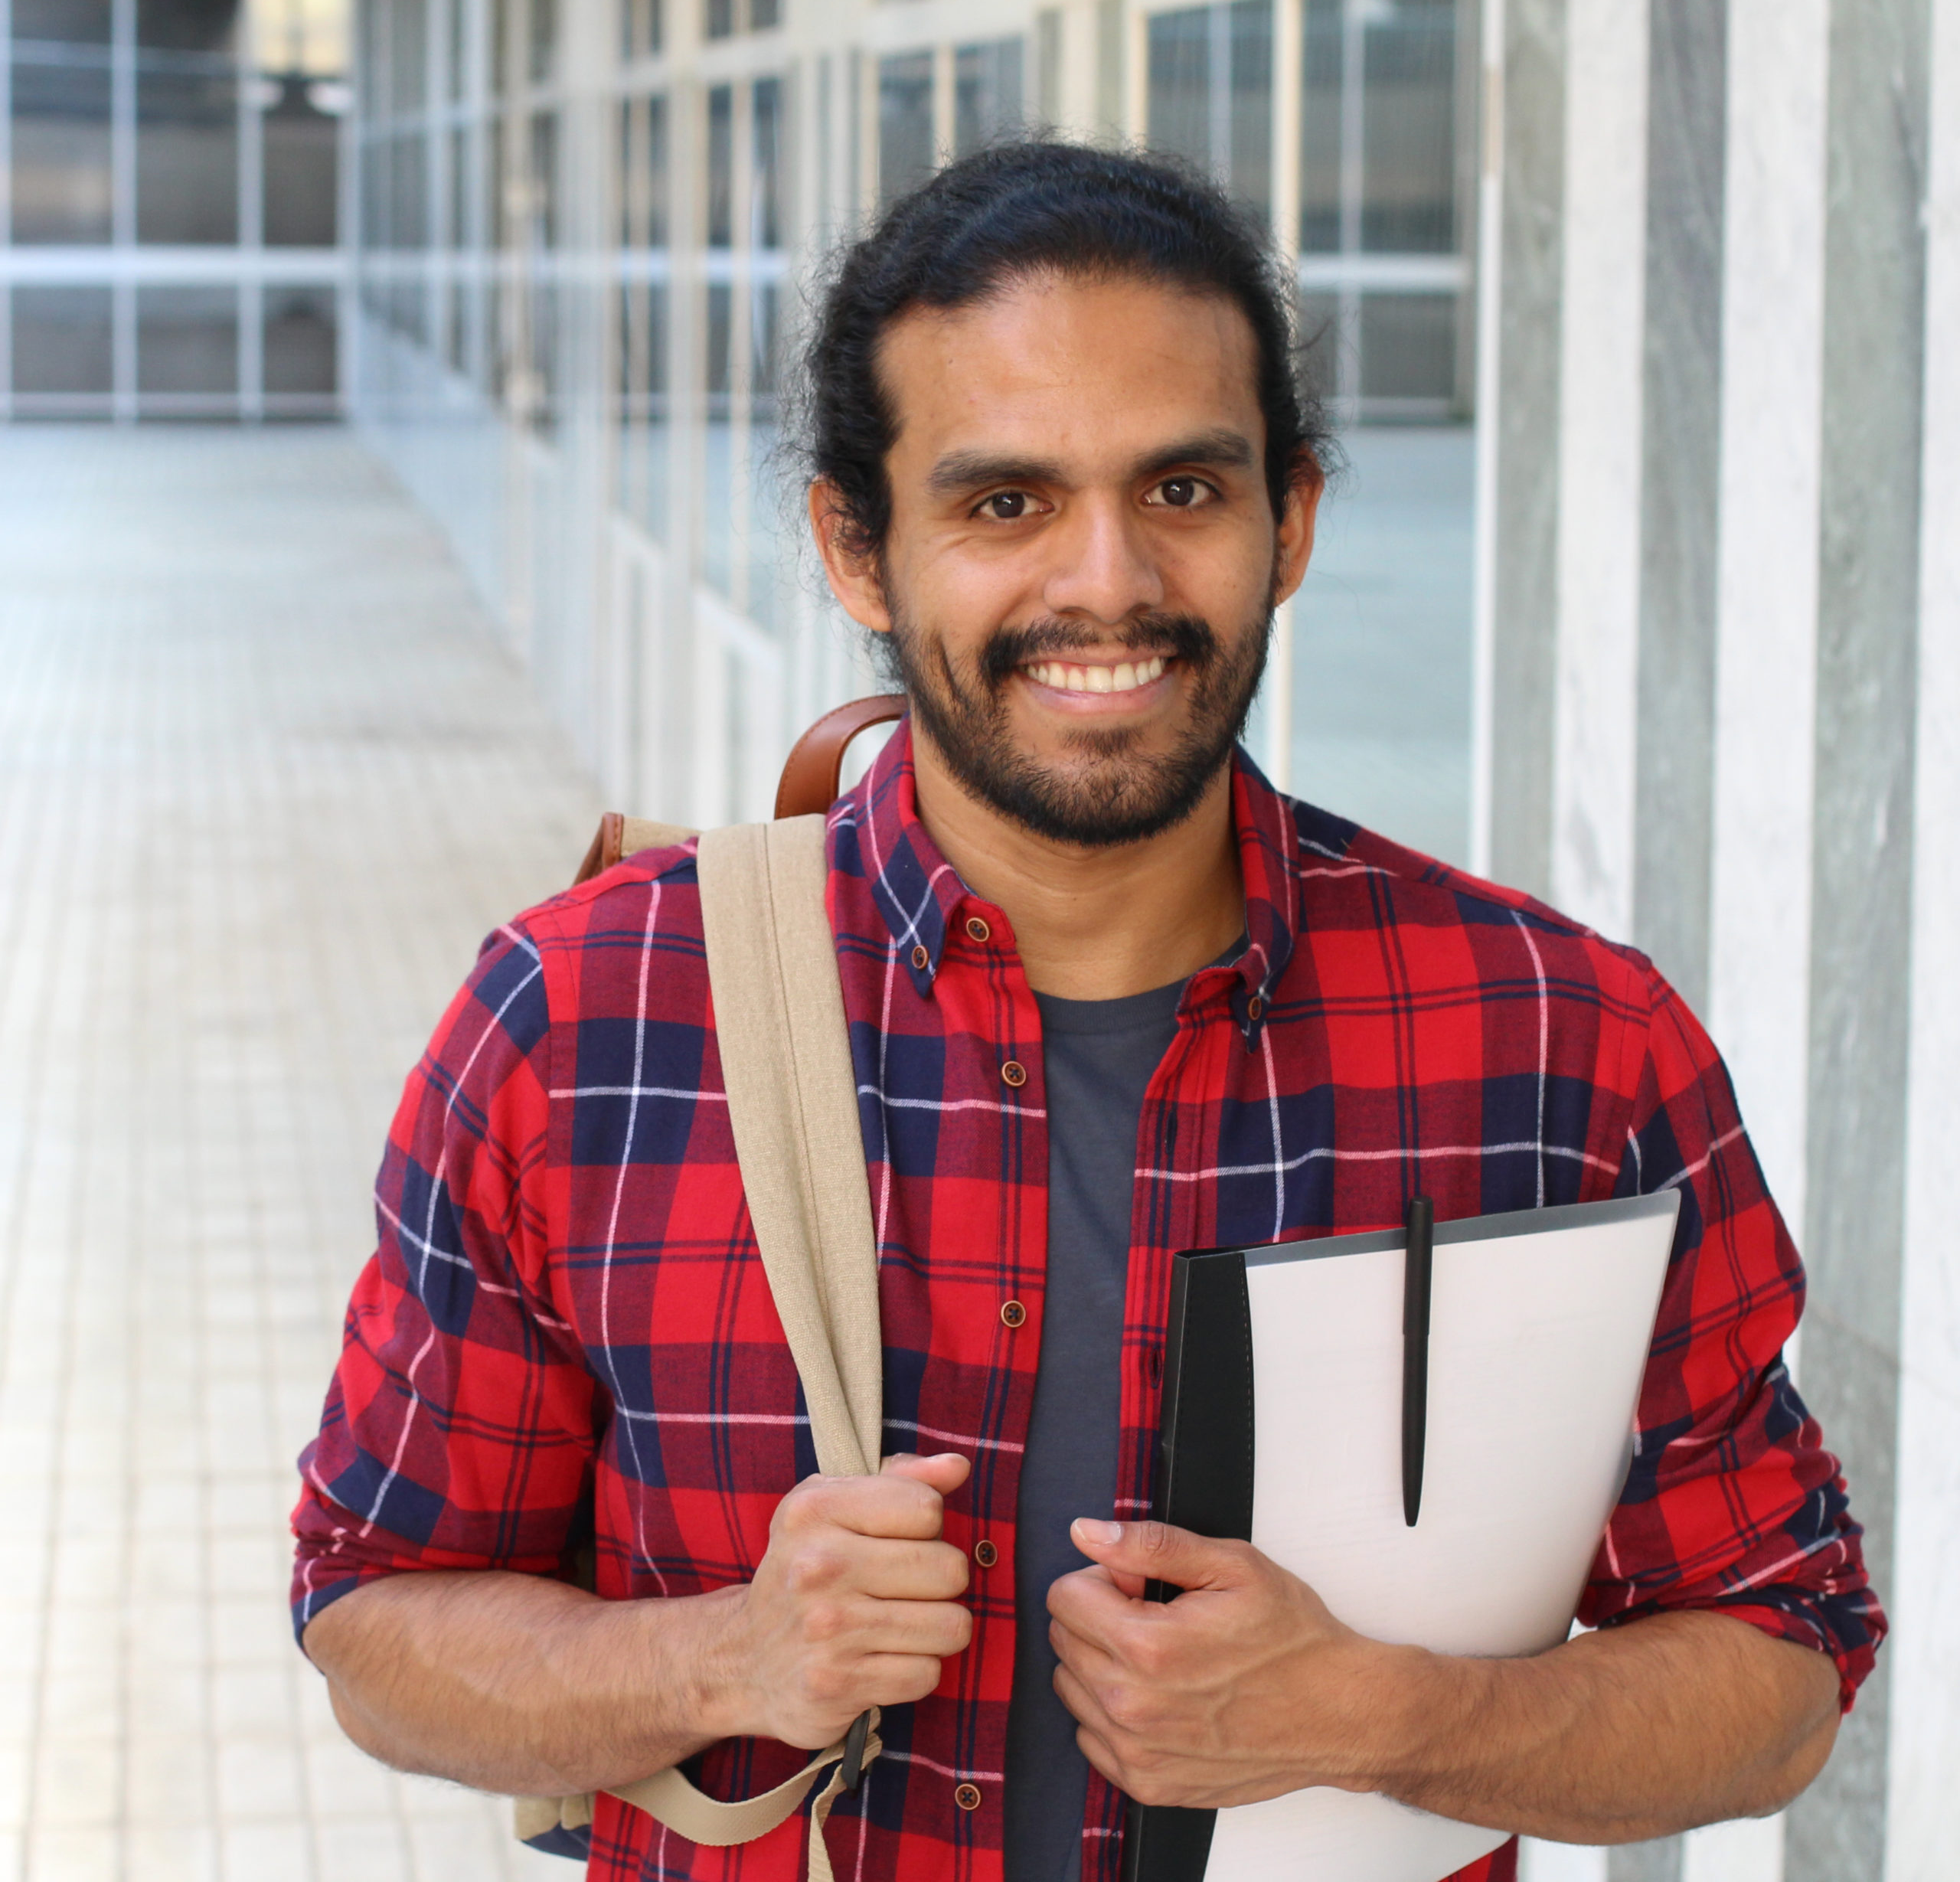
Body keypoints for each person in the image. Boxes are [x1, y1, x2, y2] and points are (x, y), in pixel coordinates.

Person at [292, 144, 1882, 1882]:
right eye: (1003, 502)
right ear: (855, 543)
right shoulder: (581, 1023)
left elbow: (1779, 1662)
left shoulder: (1561, 1045)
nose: (1106, 581)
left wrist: (1396, 1714)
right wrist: (725, 1653)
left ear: (1288, 521)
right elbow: (377, 1615)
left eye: (1181, 491)